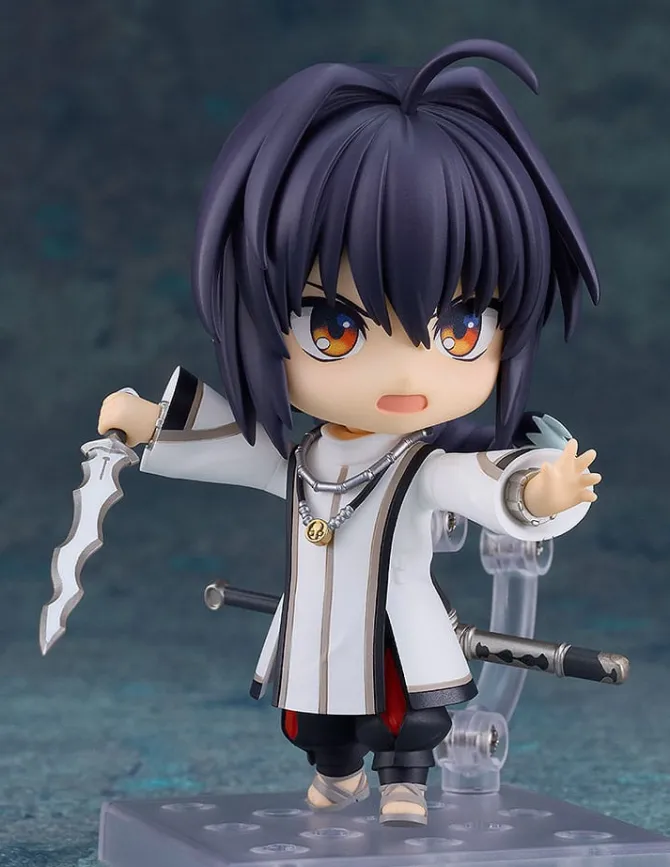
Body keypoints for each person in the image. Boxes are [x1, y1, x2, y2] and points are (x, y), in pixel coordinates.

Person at [98, 39, 601, 826]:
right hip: (317, 625)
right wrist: (149, 427)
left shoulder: (421, 464)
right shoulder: (303, 455)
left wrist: (538, 491)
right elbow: (238, 448)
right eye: (335, 326)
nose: (406, 371)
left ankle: (405, 781)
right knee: (316, 719)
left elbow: (480, 480)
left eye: (462, 326)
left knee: (408, 712)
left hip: (398, 623)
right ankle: (338, 775)